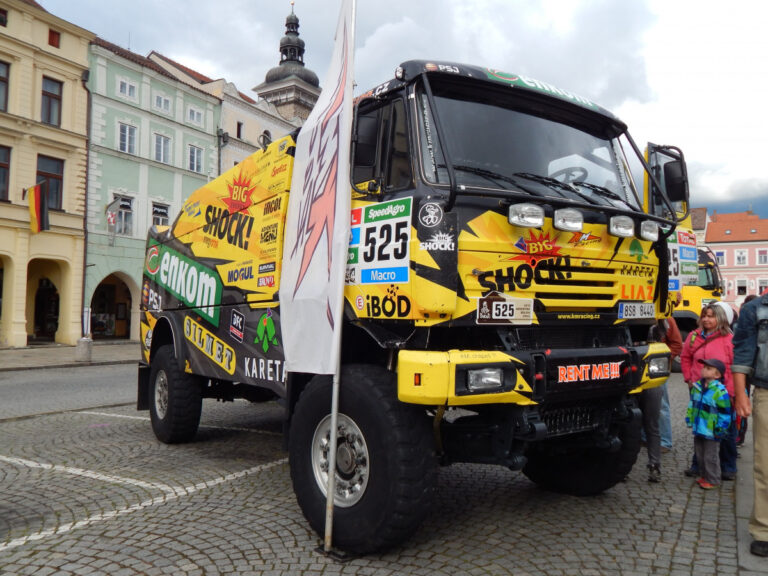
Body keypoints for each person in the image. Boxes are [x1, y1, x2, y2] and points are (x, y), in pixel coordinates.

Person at [680, 303, 736, 479]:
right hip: (699, 390)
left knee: (725, 429)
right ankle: (698, 465)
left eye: (711, 316)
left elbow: (734, 367)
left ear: (719, 318)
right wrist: (689, 378)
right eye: (704, 315)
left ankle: (728, 467)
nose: (706, 319)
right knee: (701, 428)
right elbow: (685, 357)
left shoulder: (728, 339)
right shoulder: (693, 336)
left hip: (722, 392)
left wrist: (732, 393)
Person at [732, 291, 768, 557]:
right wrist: (741, 393)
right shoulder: (754, 310)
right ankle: (764, 530)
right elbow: (743, 354)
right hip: (766, 392)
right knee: (765, 465)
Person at [686, 358, 732, 489]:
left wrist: (721, 428)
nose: (704, 369)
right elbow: (692, 404)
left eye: (708, 368)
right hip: (699, 427)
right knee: (700, 454)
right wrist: (689, 419)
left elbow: (725, 413)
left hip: (712, 430)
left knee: (710, 456)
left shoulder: (720, 391)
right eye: (704, 367)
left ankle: (713, 479)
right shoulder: (697, 387)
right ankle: (705, 476)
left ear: (717, 375)